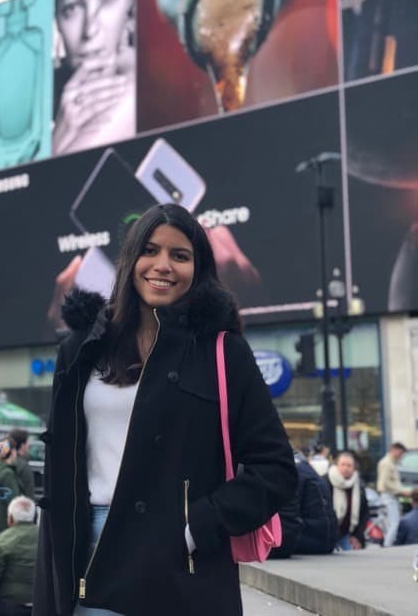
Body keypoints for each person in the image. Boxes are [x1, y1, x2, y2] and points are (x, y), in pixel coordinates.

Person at [34, 202, 297, 615]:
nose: (163, 265)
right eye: (150, 250)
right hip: (90, 549)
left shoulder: (223, 352)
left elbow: (276, 467)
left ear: (199, 268)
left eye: (180, 255)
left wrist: (200, 524)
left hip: (181, 562)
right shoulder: (82, 349)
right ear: (130, 259)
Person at [52, 0, 136, 156]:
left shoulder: (135, 90)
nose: (90, 29)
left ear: (130, 4)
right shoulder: (48, 96)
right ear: (57, 20)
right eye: (71, 7)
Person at [270, 450, 338, 558]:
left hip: (313, 539)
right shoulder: (307, 469)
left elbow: (289, 512)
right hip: (327, 539)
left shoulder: (293, 470)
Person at [327, 451, 369, 550]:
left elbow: (364, 513)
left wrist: (357, 536)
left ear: (354, 468)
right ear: (336, 465)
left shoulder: (358, 485)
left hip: (346, 534)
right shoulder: (326, 482)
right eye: (342, 464)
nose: (346, 468)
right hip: (328, 534)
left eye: (349, 465)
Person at [377, 441, 408, 547]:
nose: (401, 456)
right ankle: (387, 545)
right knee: (394, 523)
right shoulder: (386, 463)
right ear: (395, 450)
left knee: (391, 522)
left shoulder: (391, 463)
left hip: (391, 496)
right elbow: (385, 483)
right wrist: (401, 491)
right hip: (388, 496)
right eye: (401, 453)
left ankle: (388, 543)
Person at [7, 429, 35, 500]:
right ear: (22, 445)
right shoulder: (24, 466)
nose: (29, 445)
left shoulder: (2, 462)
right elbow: (29, 495)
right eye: (27, 442)